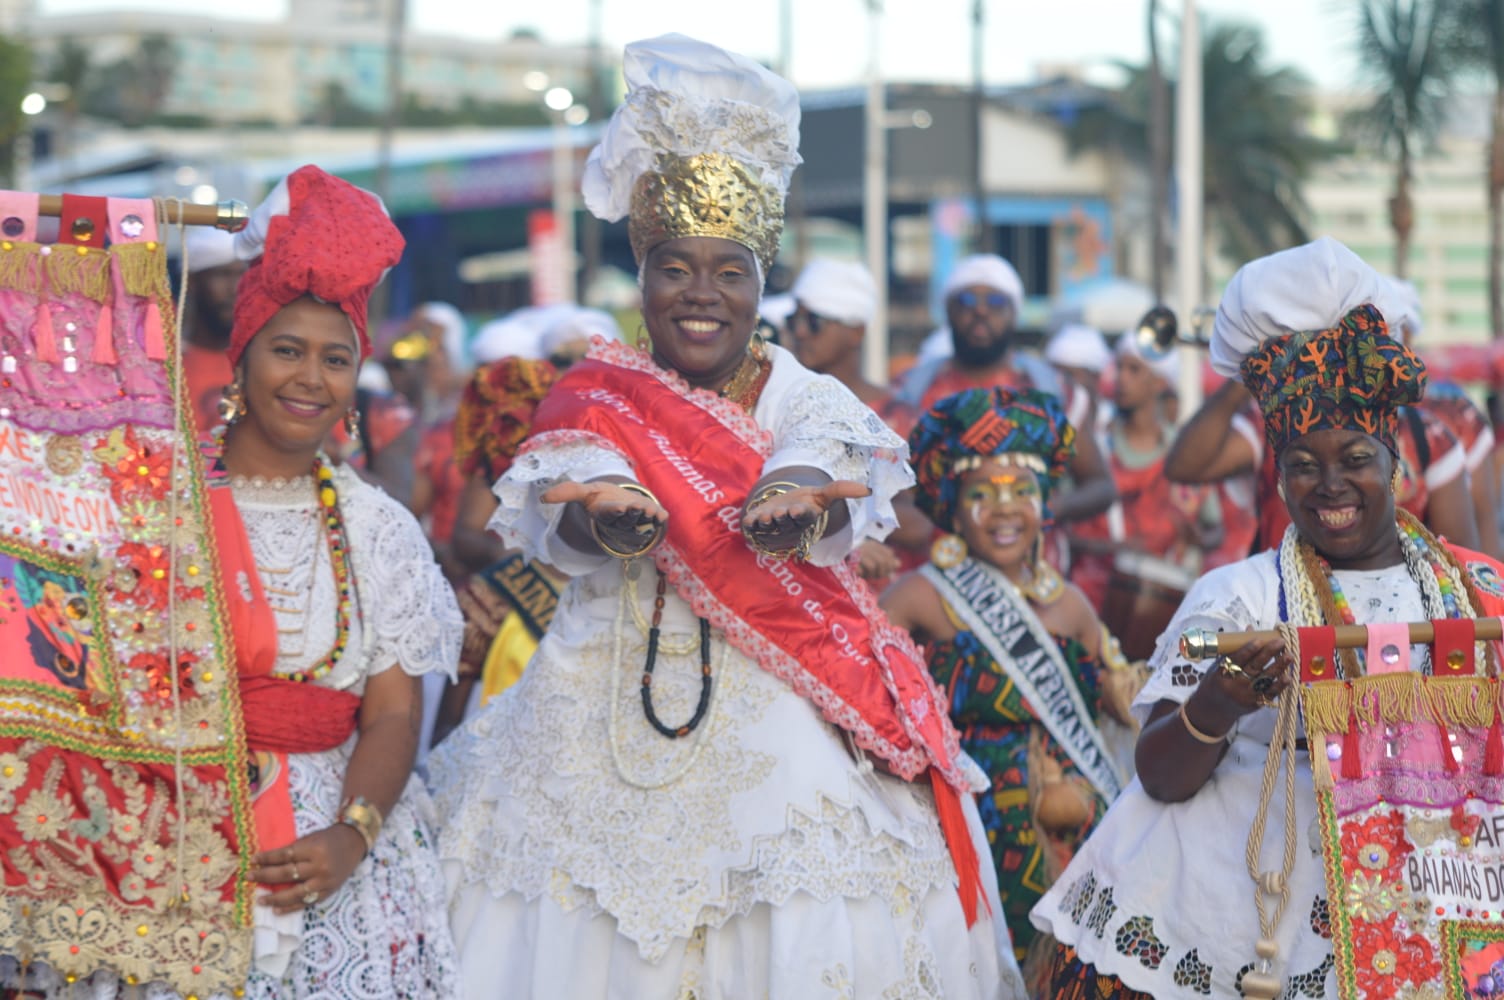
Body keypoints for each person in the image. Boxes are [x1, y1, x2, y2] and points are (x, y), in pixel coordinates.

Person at [429, 35, 1024, 998]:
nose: (701, 294)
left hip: (775, 695)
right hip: (596, 696)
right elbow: (571, 488)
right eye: (676, 268)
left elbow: (817, 462)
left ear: (759, 287)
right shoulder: (597, 392)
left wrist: (791, 504)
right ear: (642, 278)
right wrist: (610, 518)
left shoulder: (803, 391)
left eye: (729, 272)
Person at [1031, 237, 1504, 998]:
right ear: (1278, 477)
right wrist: (1218, 703)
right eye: (1303, 466)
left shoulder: (1479, 594)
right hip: (1247, 916)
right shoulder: (1239, 597)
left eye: (1356, 459)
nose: (1330, 485)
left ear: (1395, 463)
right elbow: (1159, 775)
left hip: (1441, 898)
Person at [209, 165, 463, 995]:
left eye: (336, 358)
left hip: (333, 852)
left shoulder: (377, 526)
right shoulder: (164, 501)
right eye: (286, 350)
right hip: (179, 829)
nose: (310, 379)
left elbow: (393, 711)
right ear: (242, 358)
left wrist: (351, 836)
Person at [881, 386, 1135, 973]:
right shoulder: (919, 596)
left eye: (1022, 492)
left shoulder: (1070, 604)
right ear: (952, 508)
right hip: (967, 828)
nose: (1004, 510)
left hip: (1074, 831)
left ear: (1044, 505)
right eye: (982, 495)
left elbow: (1119, 695)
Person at [894, 254, 1115, 543]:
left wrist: (1049, 507)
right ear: (948, 310)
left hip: (1033, 563)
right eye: (967, 301)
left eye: (996, 302)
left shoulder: (1054, 391)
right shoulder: (908, 391)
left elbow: (1100, 485)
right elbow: (887, 489)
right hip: (935, 560)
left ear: (1014, 313)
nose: (981, 311)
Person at [1068, 334, 1220, 660]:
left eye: (1134, 370)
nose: (1120, 378)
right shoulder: (1092, 449)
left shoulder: (1183, 454)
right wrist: (1112, 549)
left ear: (1160, 382)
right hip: (1087, 605)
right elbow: (1059, 527)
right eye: (1119, 367)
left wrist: (1199, 539)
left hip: (1163, 609)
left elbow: (1215, 529)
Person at [789, 257, 924, 581]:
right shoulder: (784, 403)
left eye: (814, 321)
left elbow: (922, 522)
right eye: (795, 320)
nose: (800, 332)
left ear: (856, 332)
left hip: (881, 592)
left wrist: (838, 515)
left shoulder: (897, 418)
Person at [178, 226, 246, 435]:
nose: (235, 288)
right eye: (222, 275)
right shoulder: (164, 362)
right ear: (192, 281)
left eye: (242, 275)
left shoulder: (264, 362)